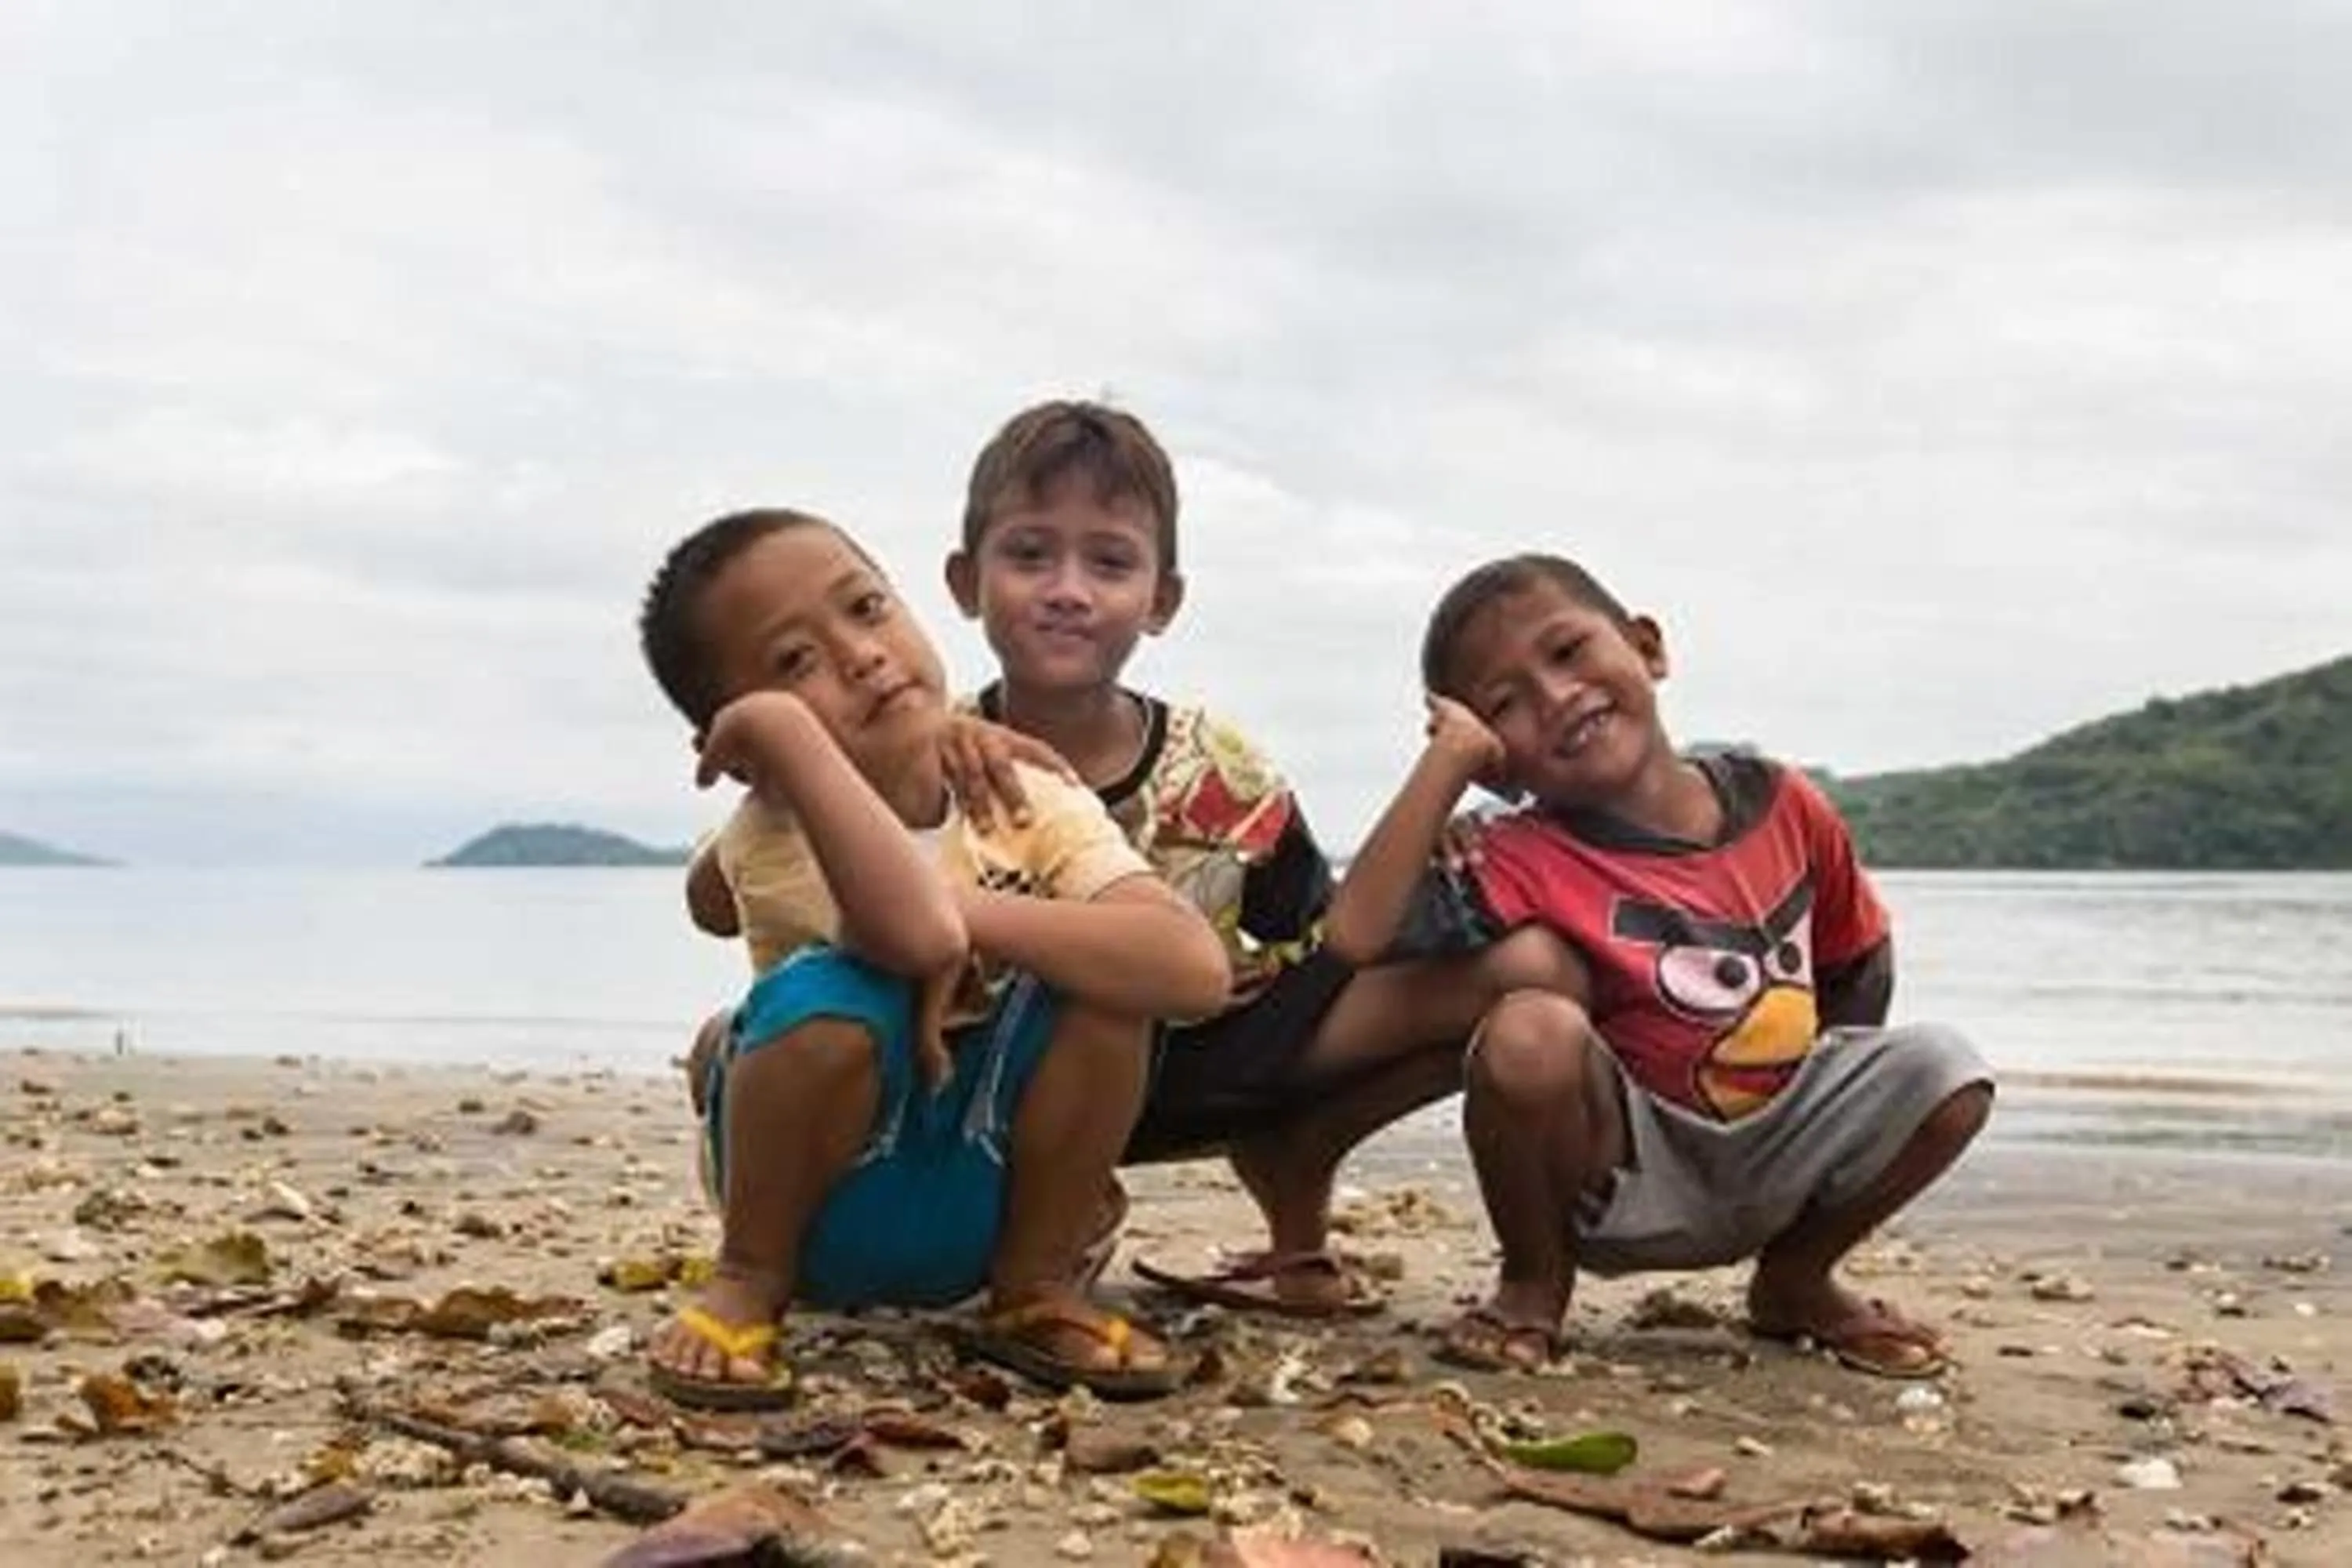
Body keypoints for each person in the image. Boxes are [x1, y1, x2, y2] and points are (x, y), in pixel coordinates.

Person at [944, 401, 1581, 1316]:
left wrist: (1440, 799)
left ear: (1161, 600)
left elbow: (1326, 937)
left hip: (1198, 1067)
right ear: (968, 580)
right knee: (1097, 982)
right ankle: (1040, 1217)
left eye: (1110, 562)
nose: (1068, 589)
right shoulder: (933, 757)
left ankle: (1295, 1169)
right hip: (999, 1084)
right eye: (1030, 554)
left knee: (1531, 969)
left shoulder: (1219, 769)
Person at [1323, 552, 1994, 1377]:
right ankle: (1533, 1283)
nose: (1556, 695)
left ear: (1647, 647)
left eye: (1568, 651)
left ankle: (1796, 1279)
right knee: (1530, 1030)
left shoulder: (1784, 802)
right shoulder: (1515, 854)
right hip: (1624, 1172)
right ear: (1494, 763)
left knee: (1946, 1068)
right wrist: (1440, 784)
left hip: (1777, 1153)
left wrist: (1824, 1129)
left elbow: (1859, 964)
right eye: (1505, 705)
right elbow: (1355, 931)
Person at [635, 507, 1230, 1406]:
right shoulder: (778, 828)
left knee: (1108, 978)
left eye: (867, 607)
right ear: (746, 743)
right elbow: (911, 938)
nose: (861, 655)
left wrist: (977, 900)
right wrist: (785, 747)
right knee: (832, 993)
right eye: (794, 663)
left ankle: (1036, 1289)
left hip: (987, 1196)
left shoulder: (1018, 794)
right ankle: (746, 1279)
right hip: (829, 1211)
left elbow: (1190, 969)